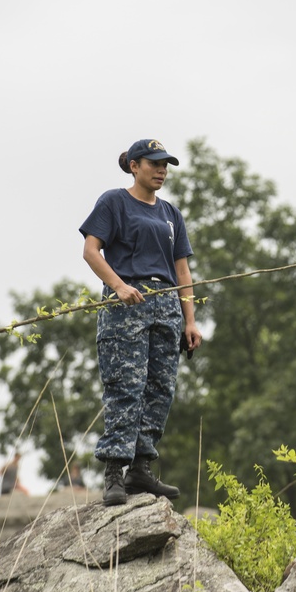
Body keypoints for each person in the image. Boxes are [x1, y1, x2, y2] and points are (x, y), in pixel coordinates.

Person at [79, 138, 202, 506]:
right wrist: (118, 286)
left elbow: (183, 270)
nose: (162, 170)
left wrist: (190, 321)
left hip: (166, 306)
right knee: (126, 387)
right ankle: (115, 470)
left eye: (165, 165)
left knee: (160, 389)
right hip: (127, 306)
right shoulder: (114, 201)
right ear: (134, 166)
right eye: (154, 163)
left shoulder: (171, 214)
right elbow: (90, 250)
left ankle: (141, 469)